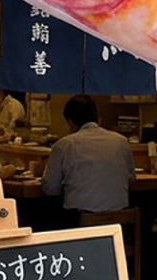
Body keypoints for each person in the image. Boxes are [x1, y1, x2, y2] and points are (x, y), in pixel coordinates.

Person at [42, 94, 135, 225]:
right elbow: (131, 178)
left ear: (70, 122)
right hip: (120, 223)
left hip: (80, 223)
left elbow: (50, 188)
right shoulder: (122, 141)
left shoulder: (64, 145)